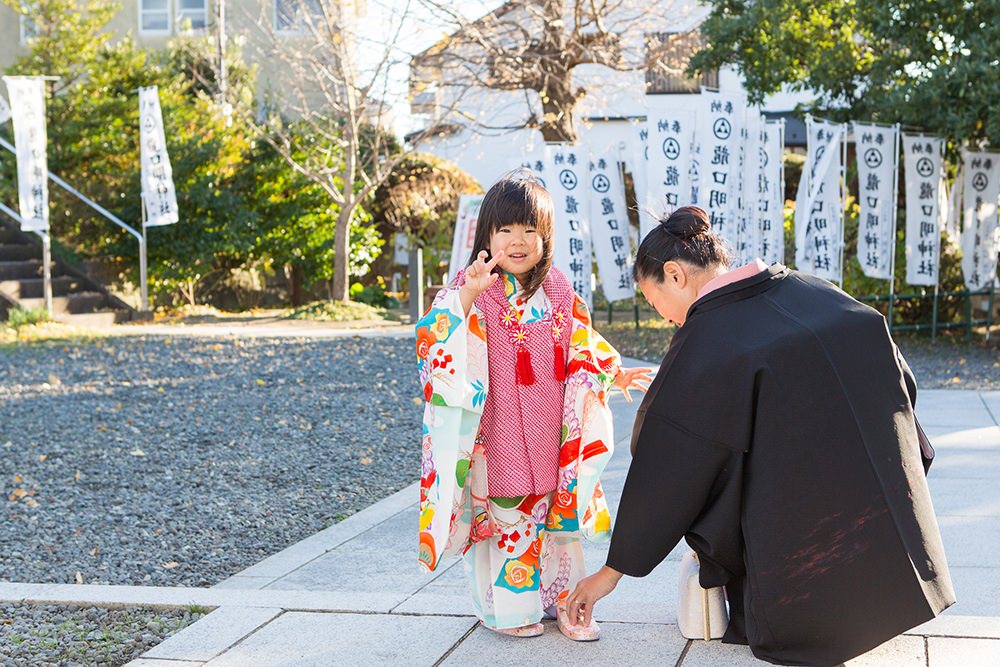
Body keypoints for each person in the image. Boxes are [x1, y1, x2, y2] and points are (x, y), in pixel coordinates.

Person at [567, 206, 955, 666]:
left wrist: (610, 573)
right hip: (883, 554)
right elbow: (898, 381)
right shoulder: (812, 289)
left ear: (674, 275)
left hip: (800, 563)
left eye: (655, 302)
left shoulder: (707, 338)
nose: (667, 318)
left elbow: (669, 465)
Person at [415, 170, 650, 640]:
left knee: (559, 526)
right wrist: (466, 296)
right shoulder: (473, 286)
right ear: (487, 235)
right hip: (498, 435)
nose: (518, 242)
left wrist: (610, 370)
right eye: (506, 230)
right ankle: (509, 610)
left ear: (546, 237)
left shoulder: (558, 290)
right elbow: (433, 340)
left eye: (530, 231)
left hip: (550, 430)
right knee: (510, 524)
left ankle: (568, 604)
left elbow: (581, 342)